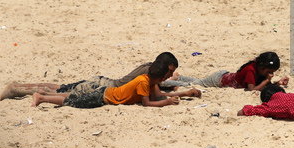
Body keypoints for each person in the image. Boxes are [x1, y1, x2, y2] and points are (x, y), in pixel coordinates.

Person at [1, 52, 179, 100]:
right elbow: (156, 96)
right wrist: (182, 92)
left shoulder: (150, 69)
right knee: (61, 91)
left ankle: (19, 87)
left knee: (60, 87)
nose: (168, 75)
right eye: (169, 72)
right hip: (100, 87)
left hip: (101, 82)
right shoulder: (149, 74)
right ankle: (17, 89)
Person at [31, 60, 201, 109]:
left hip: (106, 91)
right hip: (104, 95)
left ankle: (44, 95)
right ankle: (42, 98)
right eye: (168, 75)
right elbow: (148, 102)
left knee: (73, 95)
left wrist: (184, 95)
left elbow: (157, 95)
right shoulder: (144, 81)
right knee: (72, 101)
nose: (168, 78)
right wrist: (166, 102)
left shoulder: (148, 80)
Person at [162, 52, 289, 91]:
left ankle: (178, 76)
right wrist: (267, 80)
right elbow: (252, 90)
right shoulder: (251, 70)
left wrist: (277, 83)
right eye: (269, 72)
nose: (270, 75)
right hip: (219, 80)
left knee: (198, 82)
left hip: (224, 76)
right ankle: (166, 82)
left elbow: (260, 84)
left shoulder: (257, 69)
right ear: (262, 67)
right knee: (195, 85)